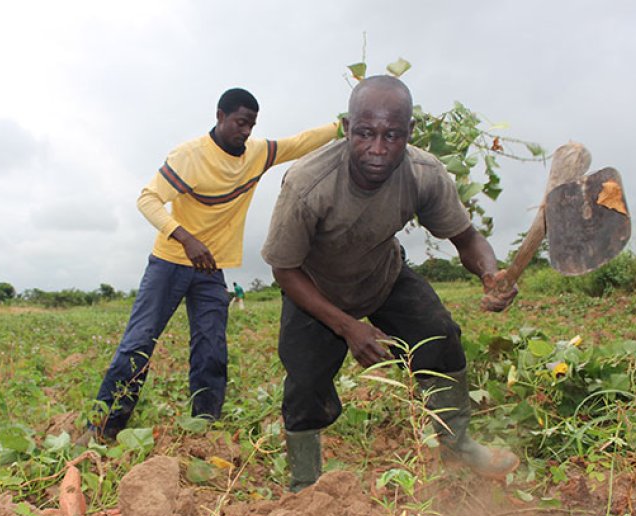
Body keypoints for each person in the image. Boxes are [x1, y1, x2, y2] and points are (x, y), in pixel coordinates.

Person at [261, 76, 520, 492]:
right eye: (365, 134)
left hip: (382, 276)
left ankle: (458, 444)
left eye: (392, 135)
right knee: (305, 385)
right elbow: (284, 270)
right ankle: (305, 484)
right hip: (314, 288)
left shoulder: (424, 174)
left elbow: (467, 239)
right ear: (347, 128)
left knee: (441, 336)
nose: (378, 149)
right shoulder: (308, 183)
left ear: (409, 134)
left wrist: (490, 273)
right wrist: (348, 327)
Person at [83, 88, 338, 443]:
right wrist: (185, 237)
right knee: (139, 341)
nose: (246, 131)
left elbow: (300, 142)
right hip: (169, 263)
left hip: (209, 270)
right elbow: (148, 199)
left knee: (211, 347)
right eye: (239, 122)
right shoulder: (190, 156)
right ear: (219, 116)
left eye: (251, 124)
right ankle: (102, 428)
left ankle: (204, 427)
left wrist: (345, 124)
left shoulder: (257, 154)